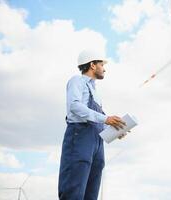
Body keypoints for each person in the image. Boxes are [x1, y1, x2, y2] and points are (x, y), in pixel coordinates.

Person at [58, 49, 127, 200]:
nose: (104, 68)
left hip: (96, 143)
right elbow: (75, 106)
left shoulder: (96, 93)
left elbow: (98, 120)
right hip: (80, 138)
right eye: (102, 64)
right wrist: (105, 119)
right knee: (74, 190)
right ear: (92, 65)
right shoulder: (77, 81)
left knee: (91, 193)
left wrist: (114, 130)